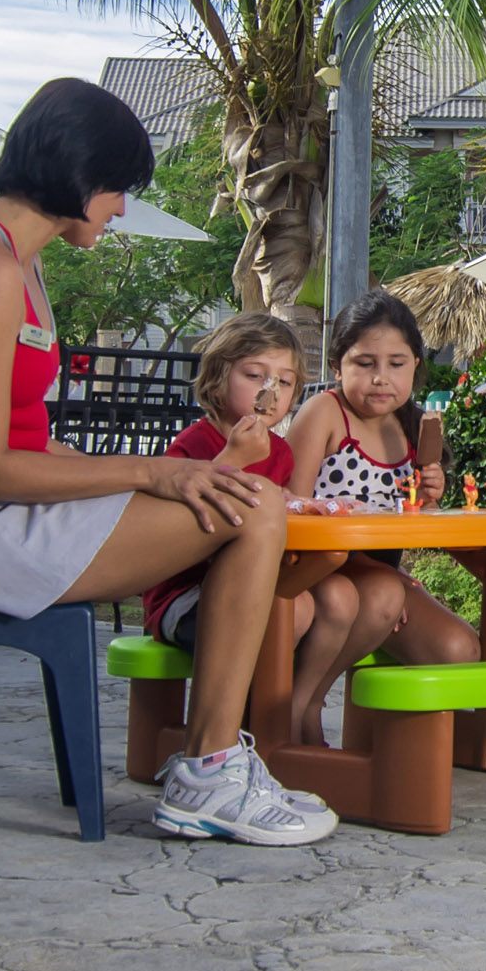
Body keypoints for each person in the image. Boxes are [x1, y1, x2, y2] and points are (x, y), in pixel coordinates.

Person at [0, 77, 331, 848]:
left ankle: (212, 763)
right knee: (253, 507)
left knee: (228, 493)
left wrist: (166, 473)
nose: (120, 206)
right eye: (118, 188)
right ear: (77, 173)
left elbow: (22, 439)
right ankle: (208, 772)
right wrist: (149, 471)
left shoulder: (10, 259)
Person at [145, 313, 364, 747]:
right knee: (294, 609)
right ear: (217, 378)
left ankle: (282, 717)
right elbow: (171, 527)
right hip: (183, 597)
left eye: (284, 382)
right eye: (254, 375)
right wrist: (234, 459)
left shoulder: (280, 452)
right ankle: (243, 732)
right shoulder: (195, 444)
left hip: (253, 586)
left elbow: (278, 505)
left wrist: (309, 507)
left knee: (335, 602)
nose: (271, 391)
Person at [283, 289, 481, 673]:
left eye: (396, 363)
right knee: (382, 600)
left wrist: (427, 501)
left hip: (385, 575)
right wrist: (374, 579)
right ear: (337, 366)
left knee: (459, 651)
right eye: (365, 363)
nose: (380, 378)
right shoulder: (324, 413)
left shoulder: (410, 425)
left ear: (415, 366)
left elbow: (409, 521)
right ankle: (304, 704)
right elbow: (291, 505)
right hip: (318, 574)